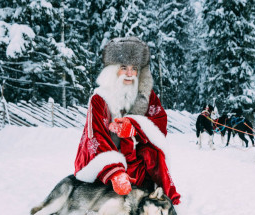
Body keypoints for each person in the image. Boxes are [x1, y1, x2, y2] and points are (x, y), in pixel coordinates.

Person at [74, 37, 180, 205]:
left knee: (153, 154)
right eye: (124, 68)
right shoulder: (100, 99)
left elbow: (159, 125)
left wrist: (135, 129)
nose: (130, 74)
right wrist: (115, 172)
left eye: (134, 68)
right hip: (108, 161)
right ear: (113, 70)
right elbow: (96, 138)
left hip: (135, 161)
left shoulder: (147, 97)